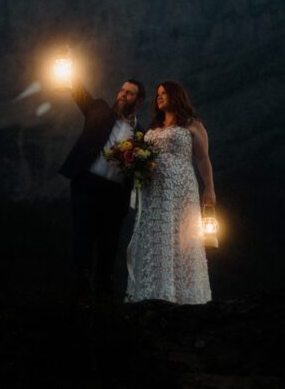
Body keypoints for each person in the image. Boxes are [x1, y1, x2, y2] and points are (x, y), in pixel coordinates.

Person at [126, 80, 214, 304]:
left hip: (181, 188)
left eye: (164, 93)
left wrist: (210, 188)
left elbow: (203, 159)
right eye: (157, 94)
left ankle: (184, 295)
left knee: (181, 236)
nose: (159, 97)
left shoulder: (192, 125)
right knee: (154, 235)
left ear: (176, 96)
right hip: (153, 189)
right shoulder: (154, 127)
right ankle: (153, 291)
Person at [59, 77, 146, 303]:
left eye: (129, 93)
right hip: (86, 185)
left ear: (138, 101)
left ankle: (104, 297)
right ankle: (79, 294)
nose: (122, 95)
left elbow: (143, 168)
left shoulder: (141, 134)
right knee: (83, 239)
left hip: (115, 195)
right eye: (121, 90)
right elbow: (80, 92)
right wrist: (68, 67)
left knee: (109, 245)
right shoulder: (98, 108)